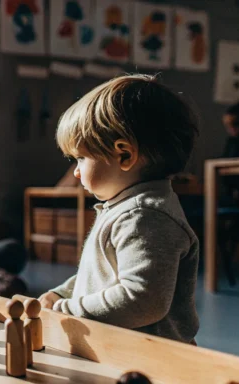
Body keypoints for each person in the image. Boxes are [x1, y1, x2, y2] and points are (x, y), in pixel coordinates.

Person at [38, 74, 200, 344]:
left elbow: (142, 300)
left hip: (150, 362)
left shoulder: (146, 217)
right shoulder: (126, 208)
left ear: (124, 155)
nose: (76, 172)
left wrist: (65, 309)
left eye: (81, 158)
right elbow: (104, 276)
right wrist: (63, 294)